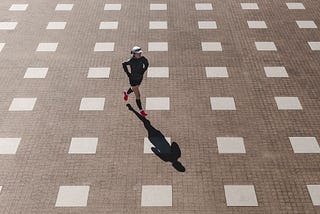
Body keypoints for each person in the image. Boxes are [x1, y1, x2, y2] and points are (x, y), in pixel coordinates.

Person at [122, 46, 149, 117]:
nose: (140, 54)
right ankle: (141, 110)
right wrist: (128, 74)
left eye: (140, 53)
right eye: (138, 53)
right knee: (138, 95)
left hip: (139, 78)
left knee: (134, 88)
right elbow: (124, 64)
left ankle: (126, 94)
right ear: (134, 54)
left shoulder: (142, 59)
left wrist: (143, 70)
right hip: (133, 79)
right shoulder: (131, 61)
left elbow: (147, 64)